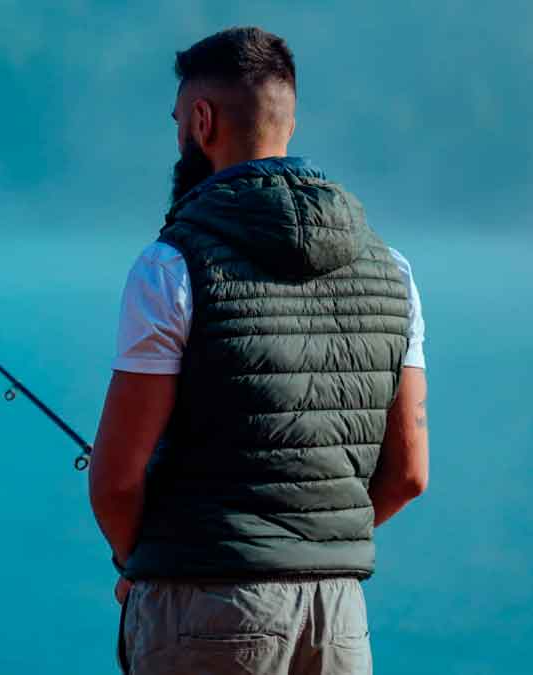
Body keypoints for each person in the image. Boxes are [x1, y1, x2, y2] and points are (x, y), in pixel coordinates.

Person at [87, 26, 429, 675]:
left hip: (204, 610)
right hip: (339, 621)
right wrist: (313, 544)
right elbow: (410, 474)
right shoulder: (394, 270)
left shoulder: (172, 266)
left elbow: (115, 481)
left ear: (201, 120)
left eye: (178, 122)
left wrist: (149, 559)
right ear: (289, 122)